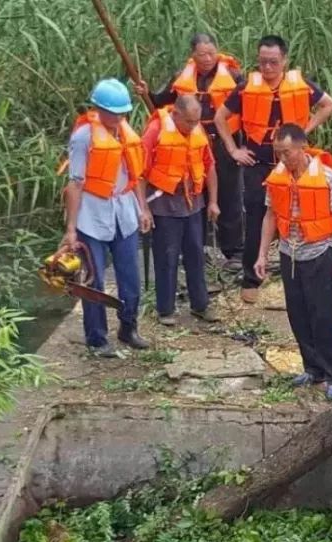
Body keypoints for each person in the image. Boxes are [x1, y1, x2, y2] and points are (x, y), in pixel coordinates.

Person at [214, 34, 332, 304]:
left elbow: (329, 105)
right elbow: (220, 117)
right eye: (262, 62)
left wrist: (304, 130)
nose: (267, 68)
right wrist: (234, 150)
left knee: (299, 213)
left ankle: (297, 268)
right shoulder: (247, 87)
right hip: (258, 164)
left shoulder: (300, 85)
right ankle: (251, 277)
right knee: (257, 217)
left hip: (291, 163)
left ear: (284, 60)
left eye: (273, 62)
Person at [254, 124, 332, 401]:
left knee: (323, 316)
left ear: (302, 146)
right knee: (298, 314)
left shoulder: (327, 178)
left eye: (287, 153)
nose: (284, 159)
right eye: (279, 154)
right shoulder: (277, 177)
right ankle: (313, 368)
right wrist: (262, 254)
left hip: (319, 254)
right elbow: (270, 216)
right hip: (289, 254)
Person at [135, 33, 246, 265]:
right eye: (201, 54)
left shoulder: (235, 76)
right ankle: (200, 248)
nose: (207, 58)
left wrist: (240, 147)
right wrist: (146, 93)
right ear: (193, 55)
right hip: (192, 144)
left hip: (224, 142)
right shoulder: (181, 77)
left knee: (230, 196)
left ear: (218, 51)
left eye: (211, 53)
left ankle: (234, 250)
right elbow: (160, 101)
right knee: (197, 193)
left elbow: (248, 109)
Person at [61, 78, 153, 356]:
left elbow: (134, 174)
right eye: (114, 113)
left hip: (123, 213)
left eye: (123, 113)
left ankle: (128, 327)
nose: (119, 118)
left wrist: (142, 208)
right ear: (98, 109)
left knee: (130, 277)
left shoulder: (124, 132)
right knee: (94, 282)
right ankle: (97, 339)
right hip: (92, 215)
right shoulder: (83, 138)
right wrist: (71, 230)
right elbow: (75, 184)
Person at [139, 95, 221, 326]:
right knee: (167, 256)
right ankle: (165, 309)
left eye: (196, 121)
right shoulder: (155, 130)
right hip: (164, 204)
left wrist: (213, 201)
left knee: (196, 253)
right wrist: (143, 208)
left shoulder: (197, 131)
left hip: (193, 203)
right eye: (188, 121)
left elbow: (209, 166)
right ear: (175, 114)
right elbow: (141, 173)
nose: (192, 126)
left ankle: (201, 305)